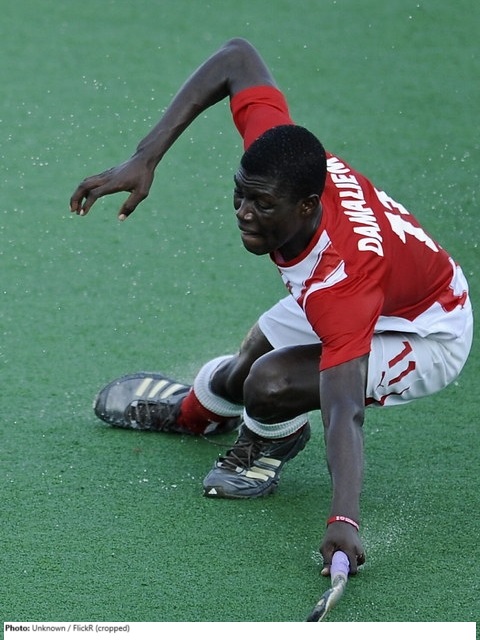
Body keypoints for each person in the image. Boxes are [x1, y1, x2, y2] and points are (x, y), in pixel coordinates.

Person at [70, 38, 473, 577]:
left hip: (428, 332)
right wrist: (147, 156)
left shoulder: (342, 283)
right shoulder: (281, 163)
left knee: (271, 383)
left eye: (262, 204)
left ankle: (268, 444)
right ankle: (196, 415)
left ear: (307, 206)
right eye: (240, 194)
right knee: (246, 364)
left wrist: (344, 520)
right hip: (381, 289)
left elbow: (344, 410)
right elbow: (237, 58)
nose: (244, 212)